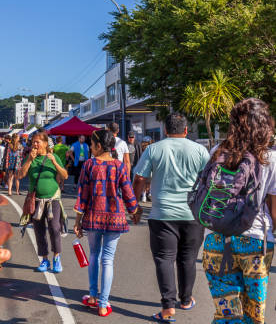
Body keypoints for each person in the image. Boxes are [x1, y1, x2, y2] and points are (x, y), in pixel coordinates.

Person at [201, 98, 276, 324]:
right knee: (253, 315)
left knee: (226, 313)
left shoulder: (217, 151)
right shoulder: (270, 157)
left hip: (216, 239)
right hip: (255, 242)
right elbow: (274, 209)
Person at [133, 113, 209, 323]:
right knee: (188, 258)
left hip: (162, 214)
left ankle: (168, 308)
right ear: (186, 130)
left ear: (165, 130)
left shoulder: (154, 149)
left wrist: (134, 205)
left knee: (164, 259)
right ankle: (185, 300)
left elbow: (140, 178)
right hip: (193, 214)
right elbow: (209, 180)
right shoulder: (200, 150)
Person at [73, 129, 141, 317]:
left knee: (94, 255)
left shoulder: (89, 165)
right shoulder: (119, 166)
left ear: (99, 146)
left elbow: (82, 195)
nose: (90, 146)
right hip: (115, 218)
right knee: (108, 259)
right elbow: (128, 193)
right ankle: (103, 304)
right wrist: (134, 211)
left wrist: (78, 221)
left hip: (94, 216)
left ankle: (93, 296)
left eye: (92, 143)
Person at [17, 131, 68, 273]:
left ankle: (57, 257)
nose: (35, 144)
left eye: (37, 142)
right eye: (33, 142)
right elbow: (20, 175)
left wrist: (54, 163)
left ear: (45, 143)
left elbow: (65, 175)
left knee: (54, 228)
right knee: (39, 231)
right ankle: (44, 259)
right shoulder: (30, 158)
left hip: (53, 199)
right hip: (36, 200)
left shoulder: (54, 157)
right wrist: (29, 161)